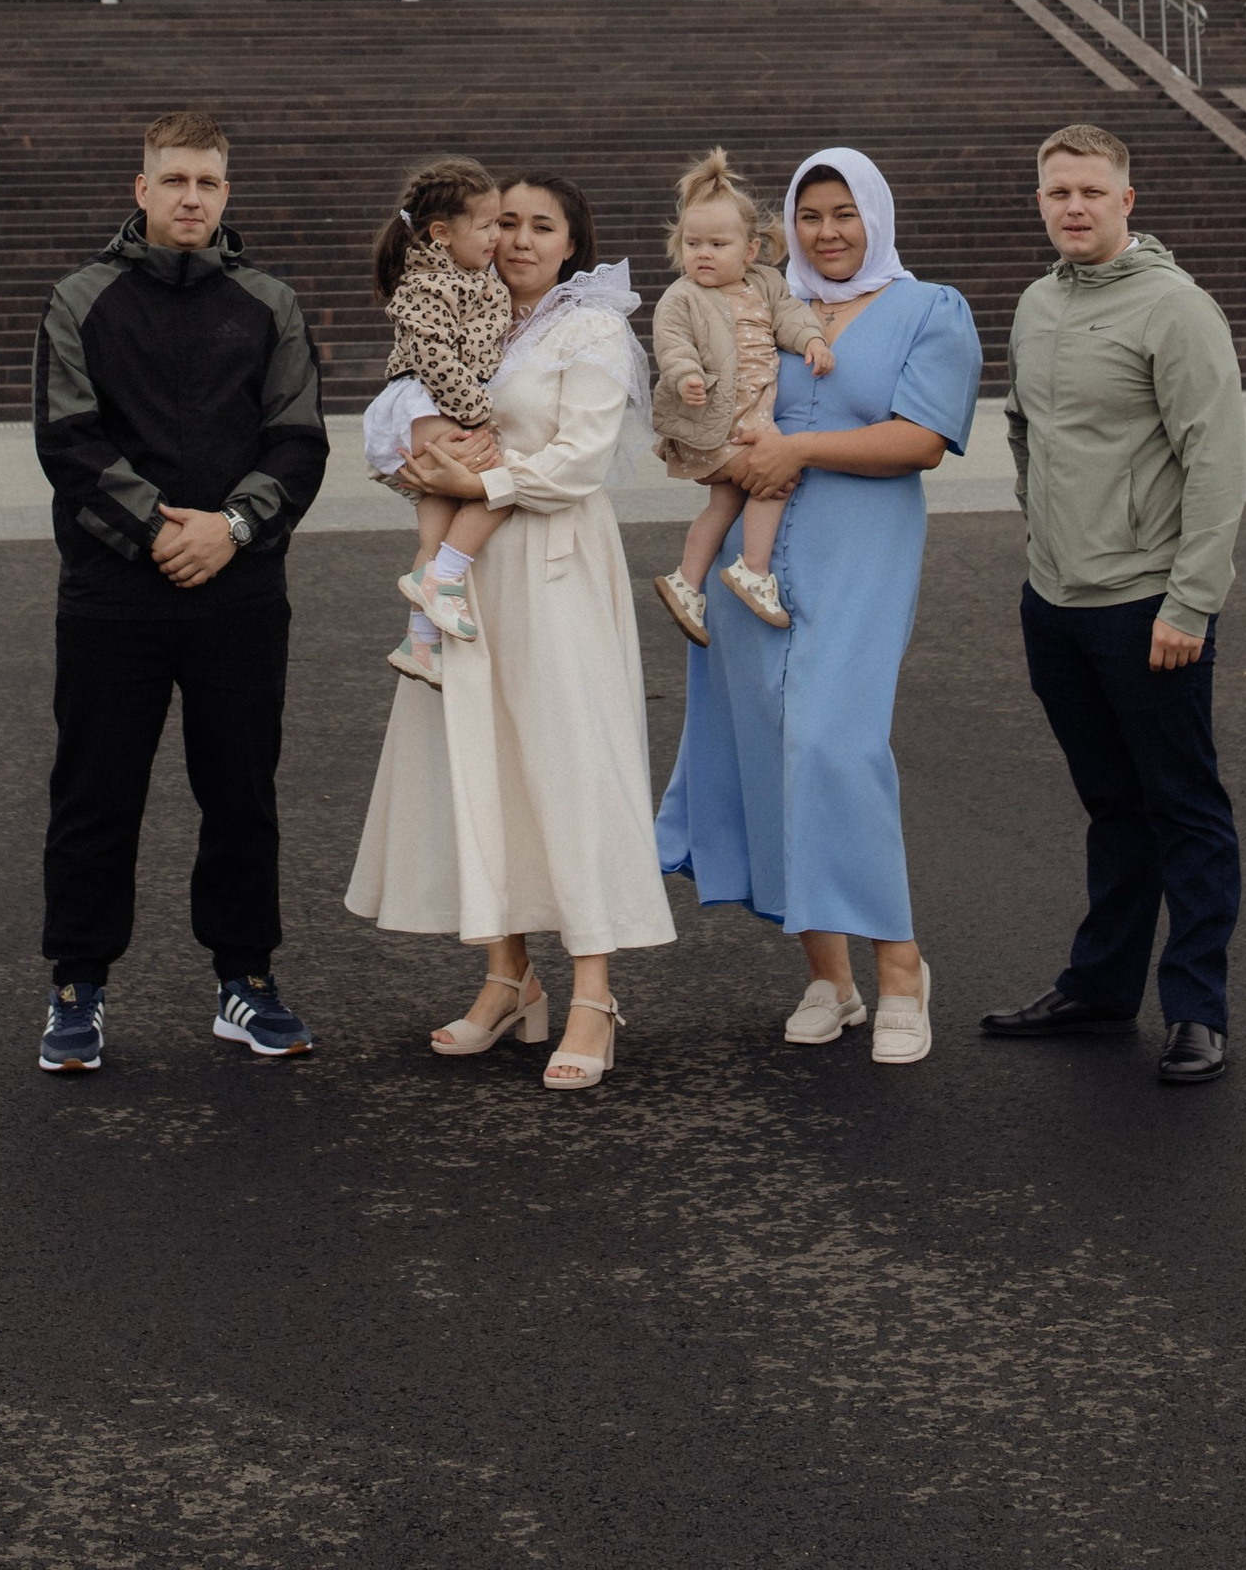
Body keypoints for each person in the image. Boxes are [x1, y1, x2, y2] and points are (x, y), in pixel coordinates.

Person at [346, 172, 675, 1092]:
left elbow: (581, 459)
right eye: (509, 223)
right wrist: (418, 458)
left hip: (557, 565)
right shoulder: (468, 314)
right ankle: (509, 976)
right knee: (477, 763)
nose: (521, 240)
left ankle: (596, 996)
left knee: (572, 765)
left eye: (543, 227)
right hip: (473, 572)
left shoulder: (593, 328)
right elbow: (397, 414)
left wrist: (472, 485)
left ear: (573, 243)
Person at [656, 147, 980, 1065]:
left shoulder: (927, 308)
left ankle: (903, 971)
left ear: (874, 215)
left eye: (845, 213)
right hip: (746, 563)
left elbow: (922, 439)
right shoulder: (752, 298)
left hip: (857, 549)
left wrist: (797, 454)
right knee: (770, 749)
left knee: (836, 746)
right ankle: (828, 978)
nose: (828, 233)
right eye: (811, 216)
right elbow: (705, 404)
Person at [31, 107, 327, 1077]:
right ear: (142, 189)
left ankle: (244, 981)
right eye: (175, 180)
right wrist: (166, 531)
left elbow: (297, 440)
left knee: (238, 794)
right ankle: (77, 985)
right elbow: (68, 441)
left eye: (207, 181)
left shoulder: (269, 303)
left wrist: (229, 528)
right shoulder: (81, 299)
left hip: (236, 591)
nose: (191, 197)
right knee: (94, 793)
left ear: (226, 192)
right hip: (112, 591)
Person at [981, 122, 1246, 1089]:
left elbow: (1217, 463)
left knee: (1184, 808)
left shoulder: (1175, 309)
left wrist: (1192, 601)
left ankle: (1196, 1011)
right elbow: (1023, 430)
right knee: (1111, 806)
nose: (1075, 208)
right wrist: (1042, 535)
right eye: (1058, 193)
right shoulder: (1038, 302)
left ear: (1126, 201)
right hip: (1055, 600)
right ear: (1041, 202)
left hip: (1149, 607)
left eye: (1092, 191)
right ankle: (1099, 988)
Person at [647, 146, 836, 642]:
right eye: (693, 244)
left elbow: (790, 317)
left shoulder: (765, 283)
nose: (703, 254)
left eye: (717, 244)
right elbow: (671, 342)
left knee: (724, 503)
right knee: (775, 479)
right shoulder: (682, 296)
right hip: (717, 420)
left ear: (750, 250)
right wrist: (685, 374)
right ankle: (753, 569)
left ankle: (687, 580)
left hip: (750, 416)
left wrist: (812, 338)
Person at [362, 157, 511, 676]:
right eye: (489, 224)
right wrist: (478, 412)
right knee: (499, 483)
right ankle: (443, 579)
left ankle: (420, 642)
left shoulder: (468, 275)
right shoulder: (427, 283)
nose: (499, 236)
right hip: (428, 400)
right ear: (443, 233)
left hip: (434, 401)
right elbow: (436, 360)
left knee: (440, 517)